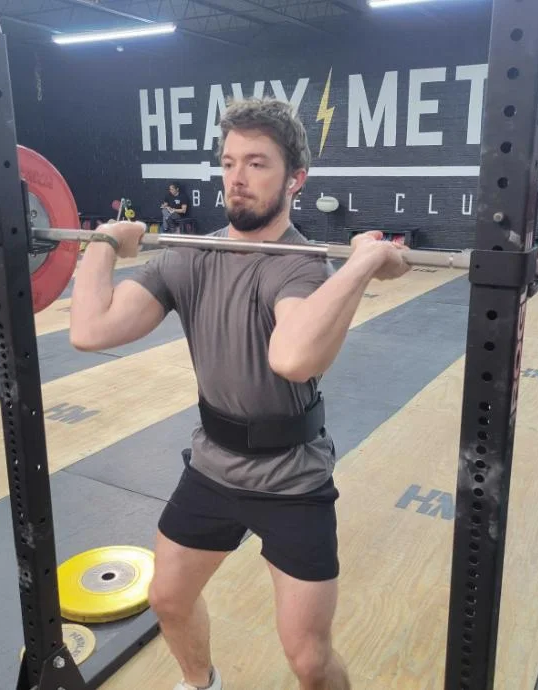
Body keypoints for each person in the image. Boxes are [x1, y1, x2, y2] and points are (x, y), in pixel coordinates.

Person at [69, 97, 410, 690]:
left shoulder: (299, 266)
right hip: (213, 468)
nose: (237, 178)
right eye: (229, 163)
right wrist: (101, 242)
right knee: (168, 599)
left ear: (294, 179)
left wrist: (359, 264)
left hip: (292, 482)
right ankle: (200, 685)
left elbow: (293, 358)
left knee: (308, 658)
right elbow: (89, 330)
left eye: (257, 164)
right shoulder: (191, 256)